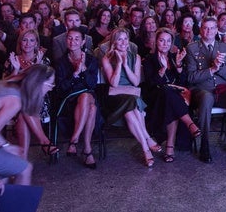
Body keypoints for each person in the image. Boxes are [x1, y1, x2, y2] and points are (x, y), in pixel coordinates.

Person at [0, 64, 55, 196]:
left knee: (6, 176)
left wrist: (6, 146)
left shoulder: (9, 85)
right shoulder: (15, 101)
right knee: (25, 168)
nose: (50, 89)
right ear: (38, 84)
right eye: (50, 85)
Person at [186, 17, 226, 163]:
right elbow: (191, 78)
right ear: (201, 30)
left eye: (212, 28)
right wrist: (212, 69)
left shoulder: (224, 47)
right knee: (207, 98)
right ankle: (204, 144)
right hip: (202, 90)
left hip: (222, 88)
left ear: (216, 29)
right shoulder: (192, 48)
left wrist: (219, 68)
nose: (209, 31)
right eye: (206, 28)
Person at [102, 28, 161, 167]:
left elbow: (135, 82)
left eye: (125, 39)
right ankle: (147, 138)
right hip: (116, 98)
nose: (123, 42)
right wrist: (119, 64)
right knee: (132, 102)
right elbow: (114, 83)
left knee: (130, 110)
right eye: (119, 39)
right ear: (114, 42)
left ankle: (146, 149)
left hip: (131, 95)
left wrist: (126, 65)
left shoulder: (136, 56)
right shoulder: (107, 58)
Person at [142, 28, 201, 163]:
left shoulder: (175, 58)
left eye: (168, 41)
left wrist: (179, 65)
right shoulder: (149, 59)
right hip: (155, 97)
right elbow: (151, 84)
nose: (165, 44)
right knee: (168, 94)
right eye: (162, 40)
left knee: (170, 97)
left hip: (173, 98)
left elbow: (183, 82)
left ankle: (170, 147)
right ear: (156, 42)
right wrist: (162, 70)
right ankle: (190, 123)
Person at [3, 29, 57, 160]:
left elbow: (40, 86)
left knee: (23, 112)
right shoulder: (12, 59)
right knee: (22, 110)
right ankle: (44, 141)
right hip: (15, 100)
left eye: (32, 40)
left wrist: (36, 65)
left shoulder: (44, 60)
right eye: (24, 40)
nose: (27, 43)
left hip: (37, 100)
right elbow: (4, 84)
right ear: (20, 42)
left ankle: (23, 160)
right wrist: (15, 70)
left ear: (36, 43)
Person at [54, 27, 99, 168]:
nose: (72, 41)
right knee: (91, 108)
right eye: (70, 38)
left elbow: (92, 84)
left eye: (76, 39)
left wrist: (83, 69)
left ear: (83, 41)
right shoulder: (60, 62)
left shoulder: (91, 60)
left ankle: (74, 140)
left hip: (89, 94)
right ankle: (87, 150)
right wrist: (74, 75)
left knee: (86, 96)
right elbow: (61, 89)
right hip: (69, 101)